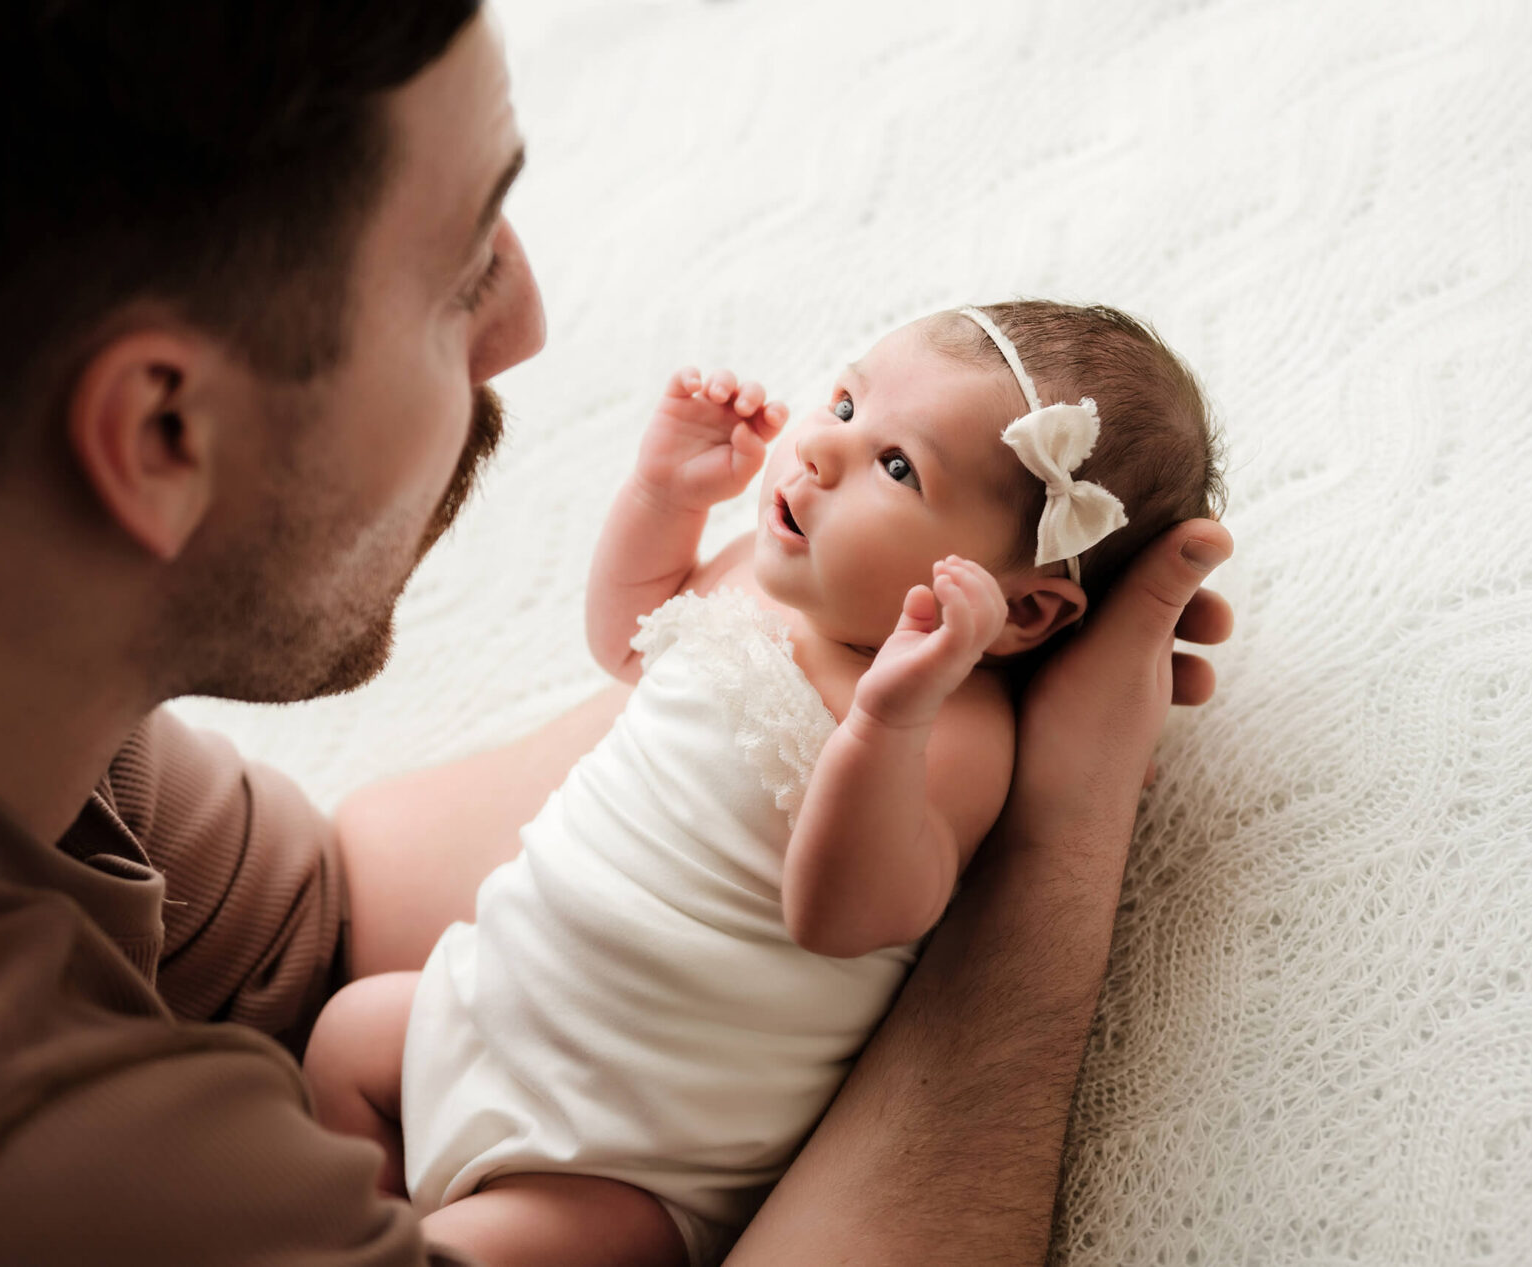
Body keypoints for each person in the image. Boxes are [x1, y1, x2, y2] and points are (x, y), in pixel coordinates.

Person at [0, 3, 1233, 1265]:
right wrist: (1058, 831)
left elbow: (325, 915)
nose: (529, 323)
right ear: (159, 430)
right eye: (462, 266)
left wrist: (835, 648)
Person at [303, 302, 1226, 1266]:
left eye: (898, 465)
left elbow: (845, 913)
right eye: (842, 402)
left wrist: (885, 721)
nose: (819, 453)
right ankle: (346, 1223)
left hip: (620, 1155)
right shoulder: (754, 569)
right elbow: (627, 641)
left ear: (1022, 611)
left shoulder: (958, 738)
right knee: (343, 1037)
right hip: (482, 996)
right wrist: (662, 497)